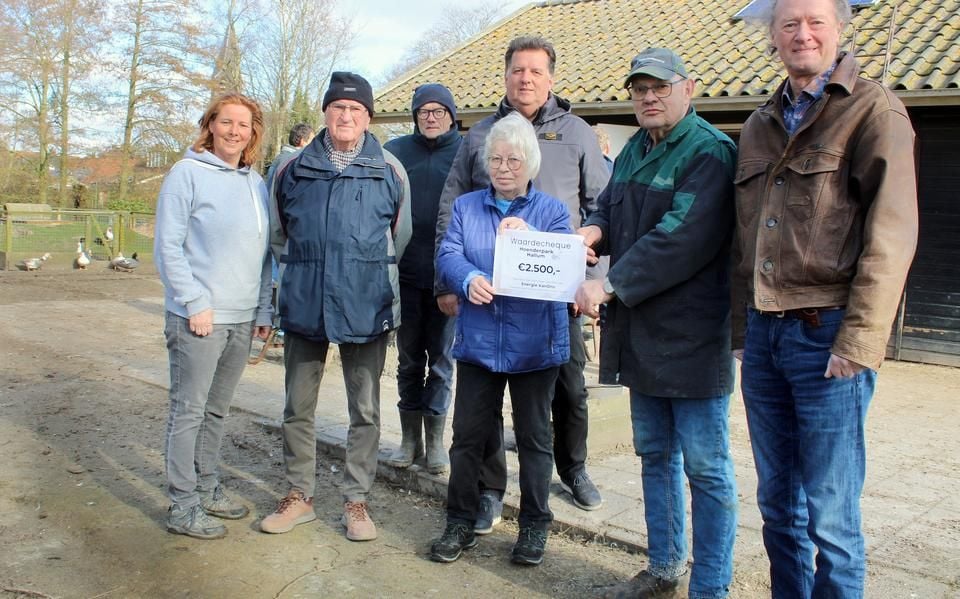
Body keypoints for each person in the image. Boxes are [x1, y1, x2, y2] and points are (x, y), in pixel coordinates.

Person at [732, 0, 918, 595]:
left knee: (832, 516)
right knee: (777, 506)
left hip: (827, 336)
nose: (802, 34)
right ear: (773, 38)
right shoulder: (760, 123)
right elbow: (746, 234)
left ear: (841, 30)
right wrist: (745, 332)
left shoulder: (873, 110)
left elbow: (892, 234)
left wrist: (860, 341)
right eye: (788, 23)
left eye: (815, 21)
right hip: (766, 337)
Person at [575, 48, 738, 599]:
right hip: (641, 337)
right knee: (655, 456)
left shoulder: (709, 152)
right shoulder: (632, 153)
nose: (648, 97)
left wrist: (609, 284)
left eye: (659, 87)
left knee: (707, 469)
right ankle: (665, 567)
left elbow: (681, 237)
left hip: (691, 339)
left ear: (687, 89)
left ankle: (710, 586)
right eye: (639, 89)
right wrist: (592, 233)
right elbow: (608, 207)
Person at [435, 35, 610, 532]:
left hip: (557, 298)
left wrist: (586, 282)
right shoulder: (479, 135)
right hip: (486, 303)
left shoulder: (575, 133)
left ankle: (572, 468)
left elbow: (602, 210)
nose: (525, 78)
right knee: (481, 411)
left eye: (535, 71)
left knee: (569, 390)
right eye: (517, 70)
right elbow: (453, 209)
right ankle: (489, 491)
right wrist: (448, 282)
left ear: (550, 78)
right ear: (507, 75)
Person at [260, 72, 412, 542]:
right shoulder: (291, 168)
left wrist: (362, 273)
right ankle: (298, 495)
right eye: (338, 108)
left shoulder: (389, 170)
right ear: (325, 113)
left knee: (364, 409)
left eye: (356, 109)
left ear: (368, 117)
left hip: (367, 305)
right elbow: (278, 234)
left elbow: (398, 239)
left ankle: (356, 500)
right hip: (305, 302)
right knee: (296, 407)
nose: (347, 116)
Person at [430, 112, 572, 566]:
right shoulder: (468, 206)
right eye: (495, 158)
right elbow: (448, 251)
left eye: (513, 159)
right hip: (480, 340)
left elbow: (568, 269)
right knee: (467, 437)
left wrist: (532, 239)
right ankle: (459, 520)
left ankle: (534, 525)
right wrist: (467, 276)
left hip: (536, 344)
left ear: (529, 163)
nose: (504, 167)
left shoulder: (552, 212)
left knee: (534, 438)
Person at [154, 92, 274, 540]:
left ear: (252, 133)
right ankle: (182, 505)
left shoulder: (254, 182)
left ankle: (207, 487)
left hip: (242, 318)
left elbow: (264, 256)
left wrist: (263, 308)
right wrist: (193, 302)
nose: (234, 132)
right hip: (199, 320)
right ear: (211, 125)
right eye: (226, 122)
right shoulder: (186, 175)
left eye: (243, 125)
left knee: (217, 412)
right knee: (188, 410)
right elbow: (168, 247)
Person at [383, 84, 462, 474]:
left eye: (438, 110)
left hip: (448, 277)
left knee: (443, 361)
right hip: (407, 274)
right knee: (409, 361)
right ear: (415, 116)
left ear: (450, 114)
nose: (431, 117)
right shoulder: (396, 152)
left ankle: (435, 443)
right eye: (423, 111)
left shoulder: (465, 152)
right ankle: (408, 438)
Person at [264, 123, 315, 190]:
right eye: (312, 140)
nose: (314, 144)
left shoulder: (283, 157)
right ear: (302, 141)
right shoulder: (293, 162)